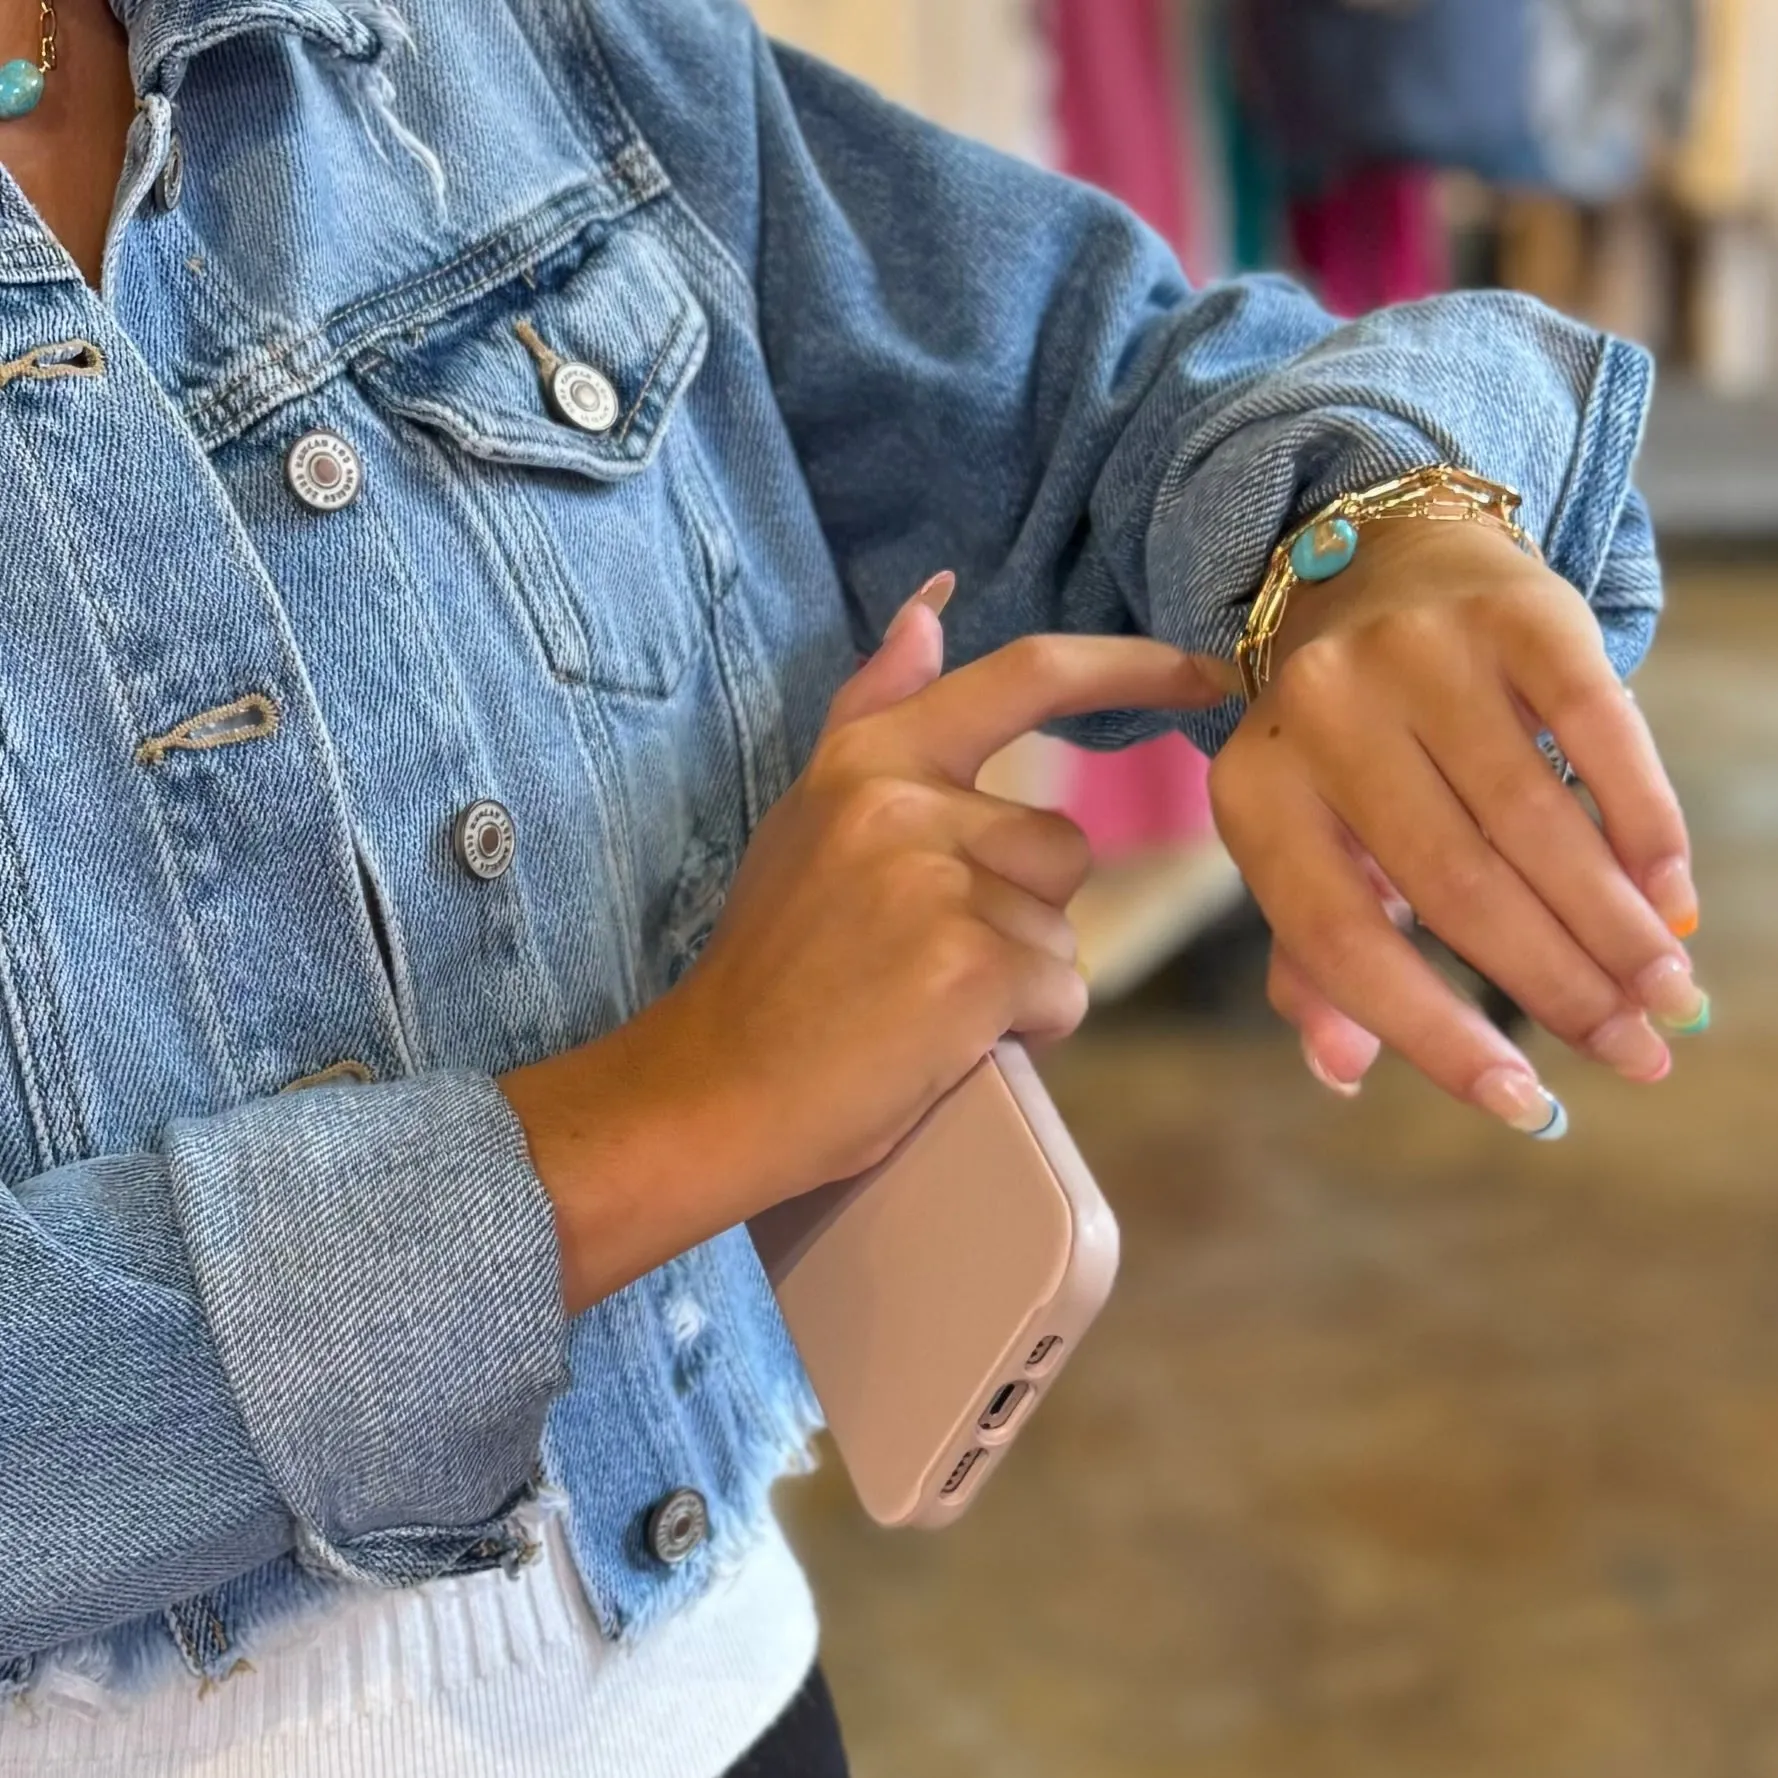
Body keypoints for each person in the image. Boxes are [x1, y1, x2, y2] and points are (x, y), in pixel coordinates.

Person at [0, 0, 1711, 1773]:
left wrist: (1353, 538)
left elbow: (1115, 391)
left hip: (711, 1692)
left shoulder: (484, 46)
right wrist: (683, 1109)